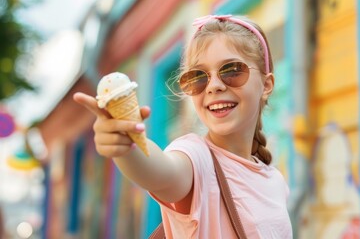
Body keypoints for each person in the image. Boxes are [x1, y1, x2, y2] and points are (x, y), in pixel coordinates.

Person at [74, 14, 293, 238]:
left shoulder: (275, 181)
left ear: (266, 85)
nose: (214, 86)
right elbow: (159, 172)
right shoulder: (195, 157)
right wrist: (126, 147)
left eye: (232, 70)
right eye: (198, 77)